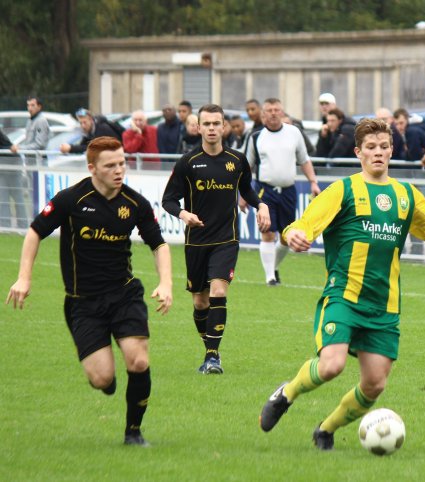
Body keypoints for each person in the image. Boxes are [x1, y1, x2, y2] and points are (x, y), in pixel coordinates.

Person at [258, 118, 425, 450]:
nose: (378, 153)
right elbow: (306, 223)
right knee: (332, 365)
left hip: (384, 305)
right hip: (344, 296)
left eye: (383, 147)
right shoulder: (344, 189)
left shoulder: (406, 194)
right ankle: (287, 392)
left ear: (391, 150)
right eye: (370, 148)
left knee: (375, 384)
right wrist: (294, 233)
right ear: (358, 152)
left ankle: (326, 429)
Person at [6, 136, 173, 446]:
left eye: (122, 163)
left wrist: (166, 283)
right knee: (102, 378)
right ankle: (106, 380)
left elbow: (159, 244)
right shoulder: (71, 199)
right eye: (111, 165)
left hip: (125, 295)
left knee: (138, 361)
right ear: (92, 168)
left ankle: (133, 432)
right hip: (83, 303)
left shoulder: (135, 203)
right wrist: (24, 278)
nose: (119, 170)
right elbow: (34, 232)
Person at [162, 104, 271, 374]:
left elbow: (246, 188)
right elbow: (168, 200)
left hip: (226, 239)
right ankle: (212, 350)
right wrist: (184, 213)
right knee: (200, 303)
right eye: (206, 124)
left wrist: (261, 205)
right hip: (196, 241)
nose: (211, 128)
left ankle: (211, 357)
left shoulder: (237, 160)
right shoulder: (187, 162)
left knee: (218, 292)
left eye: (216, 123)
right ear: (198, 127)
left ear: (224, 127)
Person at [243, 98, 321, 286]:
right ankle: (270, 277)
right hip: (264, 191)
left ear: (282, 112)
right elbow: (247, 167)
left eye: (276, 109)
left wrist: (313, 182)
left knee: (287, 236)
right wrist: (243, 194)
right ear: (263, 114)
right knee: (268, 233)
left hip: (288, 190)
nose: (273, 113)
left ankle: (273, 267)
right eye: (269, 110)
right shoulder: (255, 137)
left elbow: (304, 159)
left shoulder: (294, 133)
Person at [5, 96, 49, 229]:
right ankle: (34, 222)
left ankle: (42, 223)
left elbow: (39, 144)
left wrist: (21, 148)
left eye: (33, 105)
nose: (30, 108)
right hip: (30, 162)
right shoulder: (30, 121)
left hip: (38, 162)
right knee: (31, 192)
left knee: (39, 192)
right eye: (28, 105)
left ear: (39, 106)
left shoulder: (41, 121)